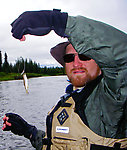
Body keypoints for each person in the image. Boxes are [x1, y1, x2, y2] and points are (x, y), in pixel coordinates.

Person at [2, 9, 127, 150]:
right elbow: (59, 145)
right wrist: (29, 132)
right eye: (69, 58)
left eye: (84, 56)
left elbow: (122, 59)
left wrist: (57, 21)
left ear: (100, 62)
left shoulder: (112, 100)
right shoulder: (71, 99)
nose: (76, 63)